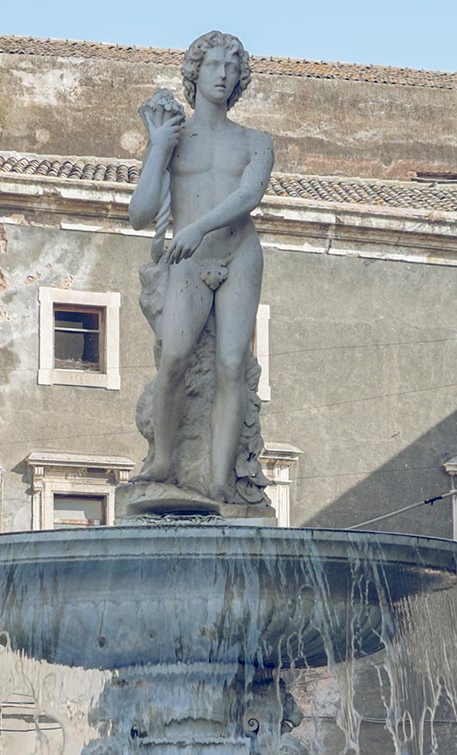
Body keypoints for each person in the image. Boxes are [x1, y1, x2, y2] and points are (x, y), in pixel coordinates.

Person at [124, 30, 275, 513]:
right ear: (194, 73)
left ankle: (218, 482)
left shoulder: (256, 141)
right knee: (174, 359)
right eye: (213, 66)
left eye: (231, 69)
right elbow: (140, 214)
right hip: (187, 262)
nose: (223, 75)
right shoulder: (174, 137)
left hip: (238, 254)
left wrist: (200, 228)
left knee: (233, 365)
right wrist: (157, 149)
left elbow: (249, 196)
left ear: (239, 80)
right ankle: (163, 462)